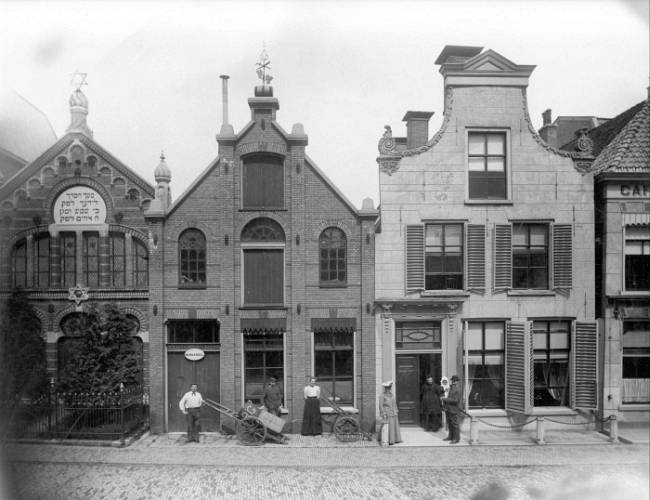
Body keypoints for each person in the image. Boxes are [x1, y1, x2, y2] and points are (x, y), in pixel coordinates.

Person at [379, 381, 402, 446]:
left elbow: (394, 403)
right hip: (387, 413)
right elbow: (380, 405)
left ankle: (396, 439)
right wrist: (383, 413)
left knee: (394, 426)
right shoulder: (382, 395)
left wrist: (396, 410)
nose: (388, 389)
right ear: (385, 388)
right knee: (388, 426)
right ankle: (389, 440)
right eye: (387, 388)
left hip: (393, 412)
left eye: (389, 387)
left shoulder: (392, 395)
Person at [441, 375, 461, 444]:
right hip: (449, 409)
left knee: (455, 425)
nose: (453, 382)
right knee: (450, 424)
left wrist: (445, 399)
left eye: (455, 381)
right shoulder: (451, 388)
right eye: (453, 380)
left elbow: (455, 400)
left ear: (457, 382)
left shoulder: (457, 389)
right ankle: (450, 436)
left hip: (454, 409)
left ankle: (456, 438)